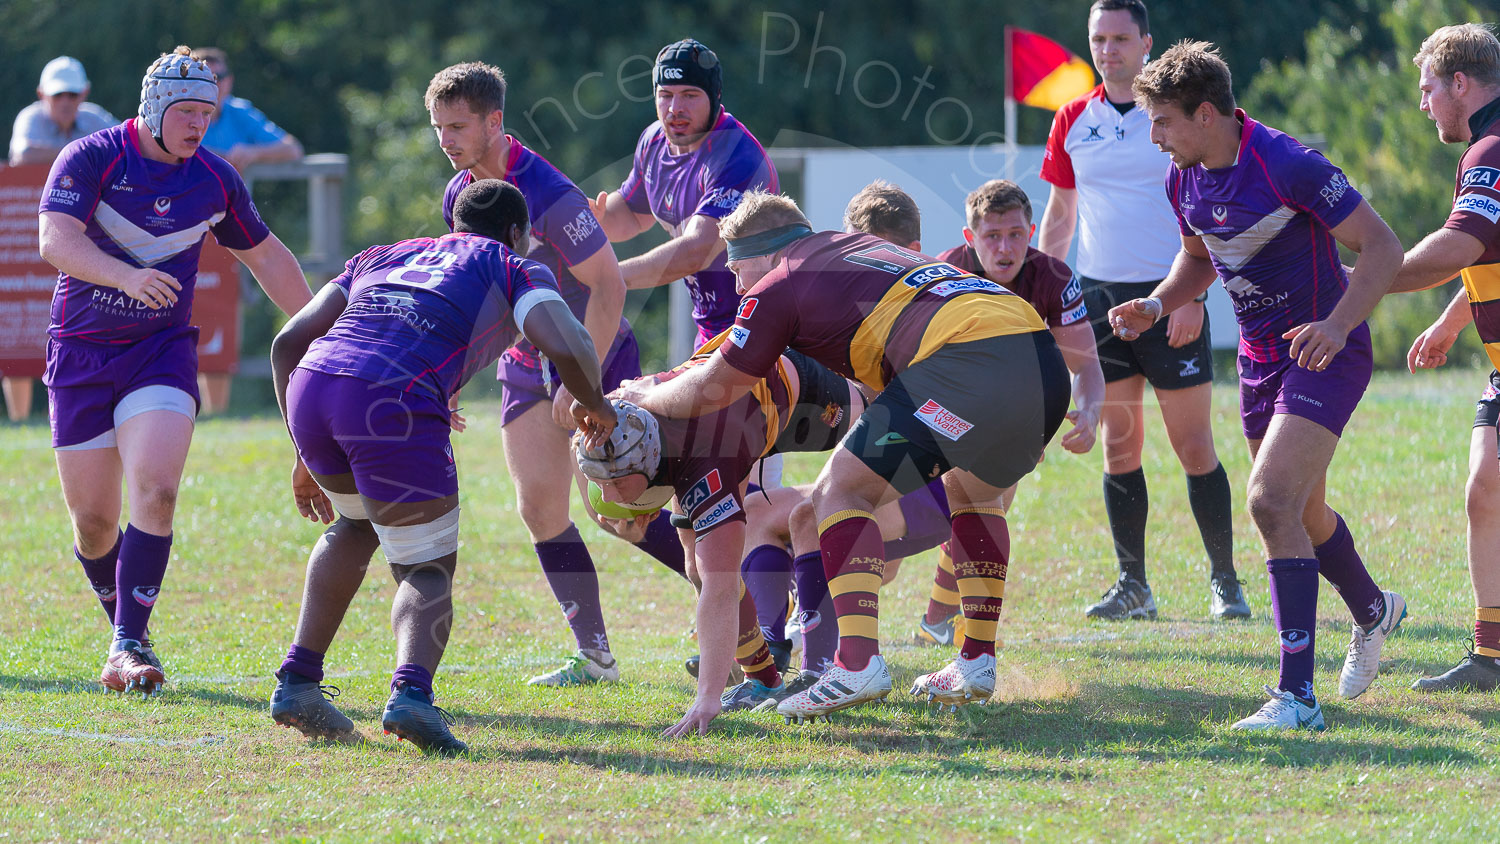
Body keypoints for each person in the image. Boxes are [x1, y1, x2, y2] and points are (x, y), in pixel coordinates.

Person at [591, 191, 1071, 723]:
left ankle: (855, 664)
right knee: (972, 494)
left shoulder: (780, 279)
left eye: (735, 267)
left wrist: (638, 395)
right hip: (1039, 360)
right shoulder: (853, 246)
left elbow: (716, 383)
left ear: (763, 251)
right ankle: (976, 659)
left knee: (836, 493)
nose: (735, 284)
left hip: (968, 360)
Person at [1112, 41, 1407, 730]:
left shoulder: (1287, 163)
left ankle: (1296, 697)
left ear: (1206, 114)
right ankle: (1373, 610)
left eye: (1161, 123)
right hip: (1257, 359)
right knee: (1303, 514)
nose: (1153, 136)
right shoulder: (1182, 178)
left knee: (1271, 503)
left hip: (1324, 349)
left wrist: (1336, 325)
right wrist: (1158, 304)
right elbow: (1198, 260)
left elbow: (1383, 246)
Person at [267, 178, 616, 754]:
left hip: (314, 388)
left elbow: (286, 344)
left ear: (453, 225)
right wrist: (595, 405)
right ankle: (411, 696)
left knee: (355, 526)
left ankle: (298, 680)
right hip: (391, 400)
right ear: (517, 232)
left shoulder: (384, 252)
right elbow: (570, 342)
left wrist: (303, 452)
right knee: (427, 568)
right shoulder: (512, 262)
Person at [37, 47, 312, 696]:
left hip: (160, 352)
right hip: (79, 354)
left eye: (208, 113)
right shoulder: (93, 157)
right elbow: (55, 241)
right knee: (95, 523)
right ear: (155, 108)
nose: (198, 125)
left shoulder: (214, 178)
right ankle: (125, 633)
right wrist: (128, 276)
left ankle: (129, 641)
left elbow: (268, 258)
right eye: (186, 112)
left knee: (157, 491)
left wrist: (327, 328)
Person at [426, 62, 685, 687]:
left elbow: (610, 285)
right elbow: (473, 293)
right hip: (523, 364)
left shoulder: (550, 193)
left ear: (495, 121)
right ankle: (594, 655)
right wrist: (450, 378)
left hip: (593, 353)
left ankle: (755, 612)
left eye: (458, 126)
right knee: (539, 507)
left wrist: (580, 376)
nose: (447, 141)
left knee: (620, 513)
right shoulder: (460, 195)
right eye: (438, 128)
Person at [1038, 0, 1246, 622]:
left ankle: (1225, 584)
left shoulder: (1178, 117)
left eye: (1122, 38)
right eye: (1099, 39)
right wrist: (1043, 296)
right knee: (1118, 449)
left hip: (1172, 294)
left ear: (1146, 43)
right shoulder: (1073, 118)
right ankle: (1135, 587)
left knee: (1193, 446)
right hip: (1101, 302)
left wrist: (1193, 294)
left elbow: (1214, 202)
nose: (1109, 50)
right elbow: (1060, 214)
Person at [576, 332, 868, 734]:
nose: (605, 496)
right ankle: (763, 679)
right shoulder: (626, 418)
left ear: (648, 465)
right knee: (693, 564)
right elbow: (591, 424)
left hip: (803, 393)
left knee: (884, 423)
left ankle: (827, 669)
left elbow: (722, 588)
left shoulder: (707, 463)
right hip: (728, 402)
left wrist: (706, 696)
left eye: (616, 484)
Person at [1386, 23, 1500, 692]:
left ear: (1461, 83)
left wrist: (1368, 278)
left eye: (1428, 88)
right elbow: (1489, 248)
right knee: (1484, 487)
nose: (1423, 103)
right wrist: (1452, 319)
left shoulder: (1491, 148)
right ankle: (1489, 658)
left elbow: (1463, 242)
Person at [590, 38, 778, 349]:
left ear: (715, 96)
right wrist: (584, 222)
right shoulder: (654, 141)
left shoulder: (736, 156)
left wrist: (612, 277)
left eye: (690, 95)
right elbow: (631, 214)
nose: (675, 109)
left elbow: (697, 250)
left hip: (759, 323)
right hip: (709, 328)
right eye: (665, 95)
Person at [7, 56, 117, 422]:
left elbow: (127, 152)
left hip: (82, 237)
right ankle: (20, 421)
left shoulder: (95, 117)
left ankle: (86, 411)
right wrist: (84, 157)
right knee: (17, 330)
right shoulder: (30, 118)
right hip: (29, 238)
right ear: (42, 95)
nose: (66, 101)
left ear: (84, 93)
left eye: (72, 94)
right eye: (58, 95)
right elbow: (22, 156)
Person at [192, 47, 303, 170]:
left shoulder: (239, 111)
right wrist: (224, 159)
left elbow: (293, 149)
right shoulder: (178, 112)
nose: (213, 83)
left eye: (219, 77)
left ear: (230, 80)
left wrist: (253, 153)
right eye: (205, 78)